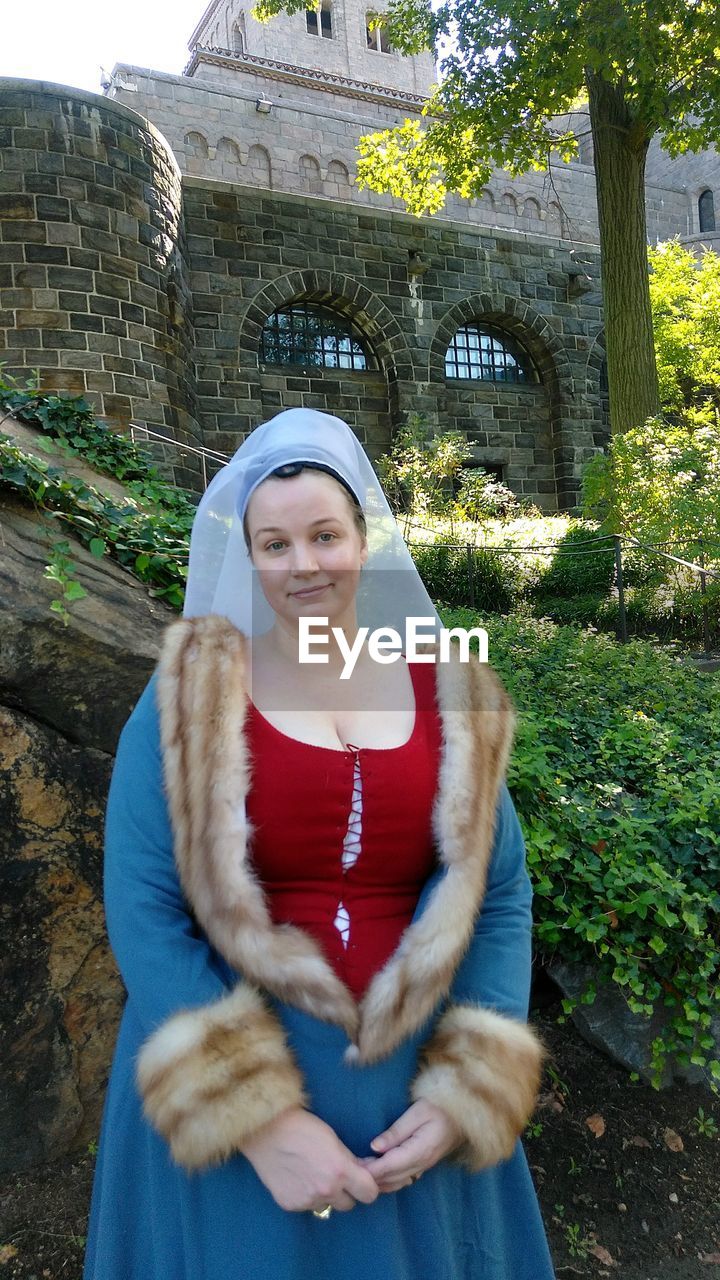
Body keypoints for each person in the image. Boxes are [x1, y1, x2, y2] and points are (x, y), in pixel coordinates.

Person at [83, 408, 556, 1280]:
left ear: (362, 539)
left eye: (324, 535)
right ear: (249, 556)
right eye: (274, 544)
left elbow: (496, 889)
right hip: (233, 1123)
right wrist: (258, 1122)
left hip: (415, 1107)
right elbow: (146, 908)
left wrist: (465, 1092)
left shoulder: (447, 686)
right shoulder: (190, 697)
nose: (303, 564)